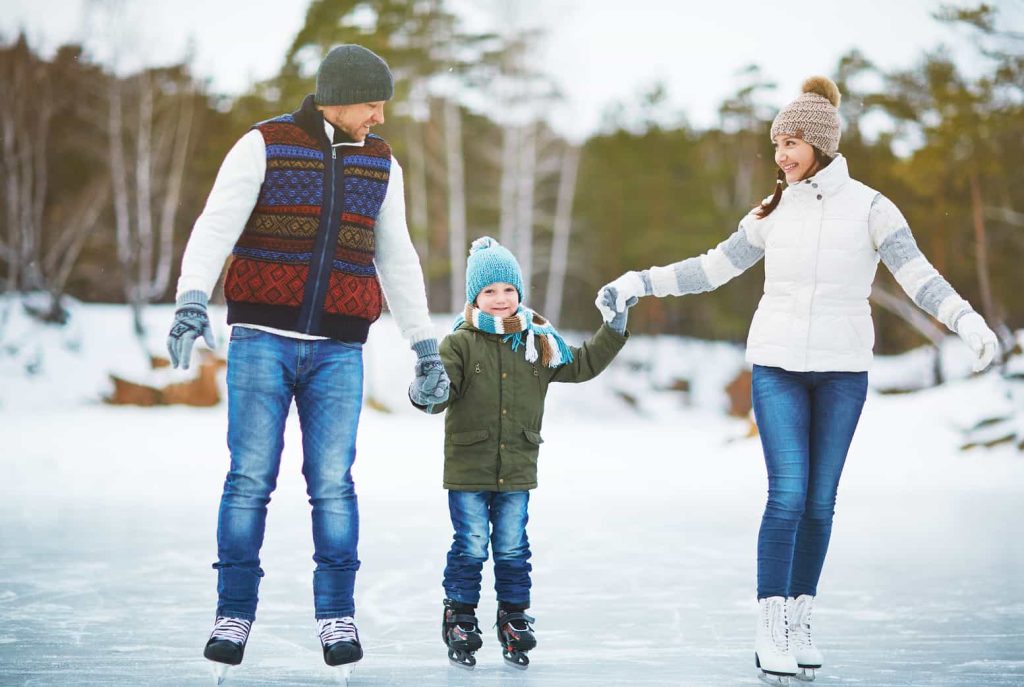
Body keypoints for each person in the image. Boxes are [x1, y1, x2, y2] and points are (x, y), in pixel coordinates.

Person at [596, 76, 999, 683]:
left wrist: (965, 320)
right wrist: (640, 281)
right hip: (778, 366)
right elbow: (710, 269)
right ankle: (771, 624)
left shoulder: (870, 207)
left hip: (842, 372)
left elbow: (916, 274)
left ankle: (802, 615)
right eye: (777, 142)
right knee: (787, 493)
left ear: (822, 144)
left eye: (793, 142)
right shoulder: (769, 213)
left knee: (819, 502)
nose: (782, 154)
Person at [165, 44, 450, 680]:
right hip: (261, 339)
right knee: (249, 480)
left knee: (332, 484)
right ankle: (232, 614)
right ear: (341, 96)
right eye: (374, 103)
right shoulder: (263, 144)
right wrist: (191, 299)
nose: (380, 115)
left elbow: (397, 257)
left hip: (340, 349)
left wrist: (423, 345)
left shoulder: (381, 163)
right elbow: (216, 225)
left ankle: (337, 615)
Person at [415, 237, 631, 670]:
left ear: (520, 294)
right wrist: (426, 389)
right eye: (490, 291)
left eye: (508, 290)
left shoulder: (538, 343)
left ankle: (513, 617)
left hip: (517, 467)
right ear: (475, 297)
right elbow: (435, 396)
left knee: (513, 547)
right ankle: (459, 616)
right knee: (472, 545)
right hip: (469, 468)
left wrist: (616, 326)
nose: (500, 299)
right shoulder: (458, 344)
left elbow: (583, 364)